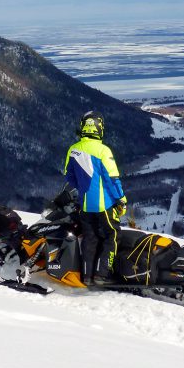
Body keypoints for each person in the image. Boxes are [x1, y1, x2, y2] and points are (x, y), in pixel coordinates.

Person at [63, 111, 127, 285]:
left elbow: (69, 177)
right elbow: (112, 180)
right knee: (112, 235)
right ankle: (101, 274)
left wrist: (84, 189)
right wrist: (121, 200)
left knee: (90, 238)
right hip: (104, 204)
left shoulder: (73, 149)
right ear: (100, 128)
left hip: (84, 204)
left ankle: (87, 276)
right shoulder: (103, 151)